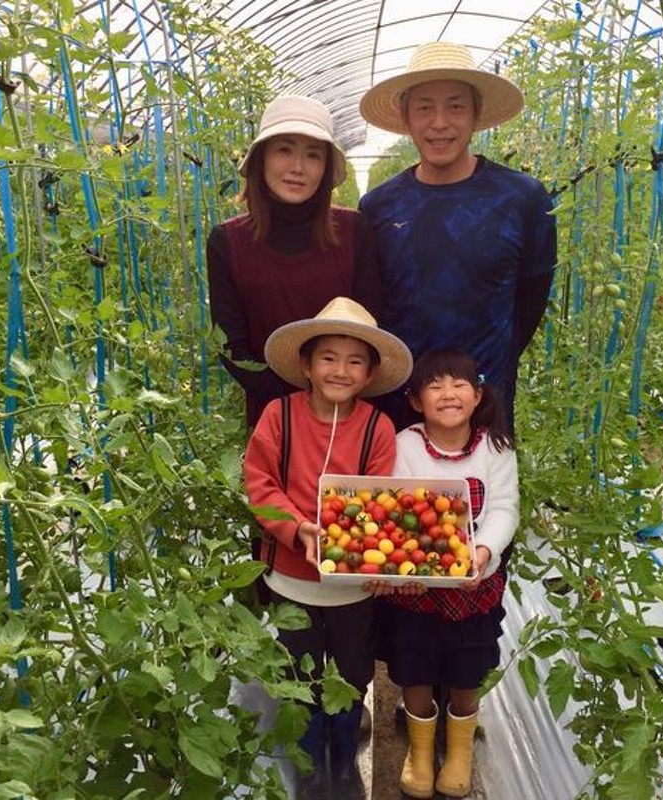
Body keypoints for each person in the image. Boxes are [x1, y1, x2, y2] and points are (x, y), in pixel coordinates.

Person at [244, 296, 412, 798]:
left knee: (351, 674)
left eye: (355, 360)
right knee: (300, 676)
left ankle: (343, 765)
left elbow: (380, 501)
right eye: (329, 358)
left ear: (369, 374)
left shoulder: (378, 429)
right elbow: (260, 486)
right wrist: (298, 529)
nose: (341, 370)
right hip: (290, 580)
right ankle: (312, 765)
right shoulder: (279, 417)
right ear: (306, 365)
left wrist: (362, 547)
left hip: (351, 589)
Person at [358, 41, 557, 433]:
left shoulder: (522, 198)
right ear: (406, 116)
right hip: (398, 401)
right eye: (425, 107)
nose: (440, 123)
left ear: (476, 114)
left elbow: (530, 299)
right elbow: (375, 302)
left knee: (481, 494)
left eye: (455, 106)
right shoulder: (379, 206)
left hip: (484, 400)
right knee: (399, 495)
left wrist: (489, 363)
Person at [374, 348, 519, 798]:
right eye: (434, 385)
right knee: (415, 668)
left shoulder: (496, 447)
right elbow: (395, 511)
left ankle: (458, 754)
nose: (448, 393)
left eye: (459, 384)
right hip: (416, 589)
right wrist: (405, 567)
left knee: (466, 670)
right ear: (416, 401)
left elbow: (503, 509)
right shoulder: (406, 445)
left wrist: (482, 551)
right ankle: (419, 753)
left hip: (473, 586)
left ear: (477, 397)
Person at [207, 94, 383, 429]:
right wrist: (294, 409)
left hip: (348, 418)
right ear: (262, 159)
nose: (298, 167)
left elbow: (370, 328)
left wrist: (331, 400)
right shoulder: (227, 242)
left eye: (313, 155)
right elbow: (231, 347)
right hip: (273, 421)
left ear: (326, 168)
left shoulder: (354, 232)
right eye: (284, 150)